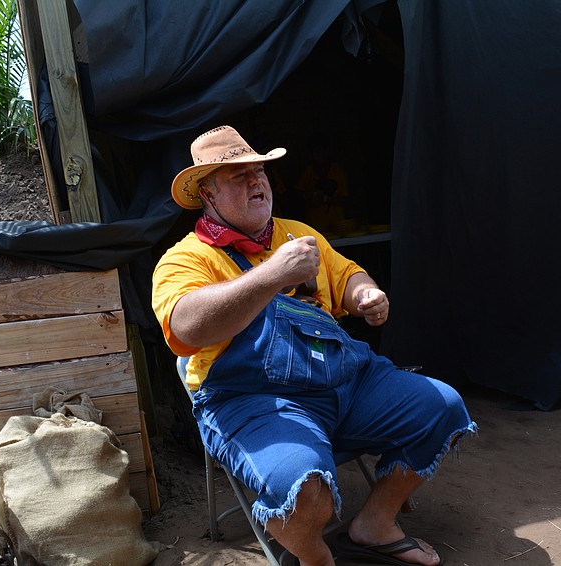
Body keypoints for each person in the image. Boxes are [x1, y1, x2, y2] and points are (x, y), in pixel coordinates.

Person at [152, 125, 477, 566]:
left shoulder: (296, 233)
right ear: (208, 194)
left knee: (442, 407)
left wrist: (365, 295)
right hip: (253, 399)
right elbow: (186, 328)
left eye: (259, 171)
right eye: (238, 175)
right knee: (301, 488)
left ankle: (376, 523)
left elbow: (347, 275)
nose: (257, 181)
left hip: (344, 379)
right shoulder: (185, 258)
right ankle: (316, 558)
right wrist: (272, 275)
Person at [294, 131, 352, 234]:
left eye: (318, 152)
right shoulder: (308, 171)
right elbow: (297, 194)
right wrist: (310, 195)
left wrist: (324, 198)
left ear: (327, 151)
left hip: (337, 225)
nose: (315, 156)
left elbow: (344, 199)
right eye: (313, 153)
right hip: (314, 225)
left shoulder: (337, 171)